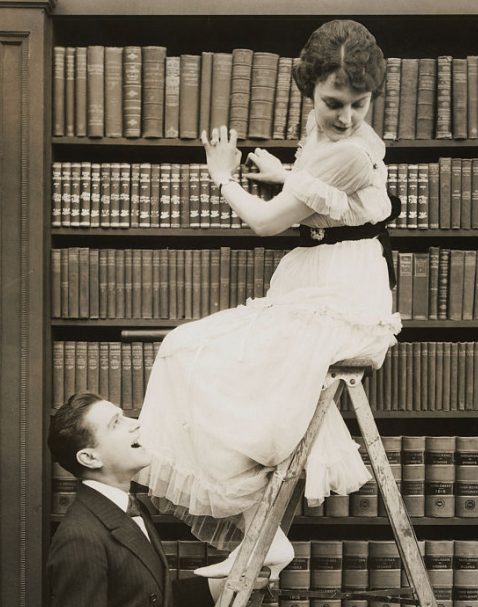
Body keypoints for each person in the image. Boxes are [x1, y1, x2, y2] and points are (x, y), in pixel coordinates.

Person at [136, 19, 402, 580]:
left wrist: (223, 177)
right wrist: (288, 175)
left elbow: (263, 223)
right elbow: (334, 200)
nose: (347, 117)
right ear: (310, 91)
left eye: (359, 104)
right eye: (334, 102)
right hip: (321, 279)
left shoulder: (349, 148)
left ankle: (265, 532)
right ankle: (266, 533)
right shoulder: (324, 134)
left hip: (341, 295)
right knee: (223, 378)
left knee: (185, 351)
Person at [48, 392, 236, 606]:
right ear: (90, 458)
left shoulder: (132, 509)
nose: (135, 424)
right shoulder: (79, 538)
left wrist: (225, 582)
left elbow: (151, 597)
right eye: (116, 423)